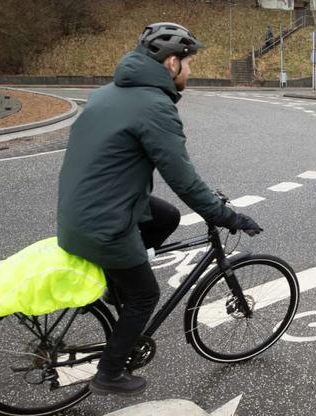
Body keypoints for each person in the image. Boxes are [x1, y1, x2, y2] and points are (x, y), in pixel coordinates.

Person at [56, 22, 262, 396]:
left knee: (165, 216)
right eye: (188, 62)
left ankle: (118, 289)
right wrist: (226, 215)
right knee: (145, 296)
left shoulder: (106, 93)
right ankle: (109, 373)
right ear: (171, 63)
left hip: (79, 208)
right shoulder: (154, 106)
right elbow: (183, 179)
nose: (191, 70)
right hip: (105, 221)